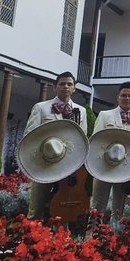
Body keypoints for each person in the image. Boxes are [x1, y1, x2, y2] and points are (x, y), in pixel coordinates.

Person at [25, 71, 88, 220]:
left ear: (74, 89)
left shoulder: (82, 111)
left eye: (69, 84)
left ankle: (61, 239)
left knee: (64, 206)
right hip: (44, 164)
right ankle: (31, 237)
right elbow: (29, 135)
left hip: (68, 167)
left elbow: (83, 138)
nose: (66, 87)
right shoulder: (41, 107)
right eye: (62, 84)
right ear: (55, 87)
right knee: (36, 206)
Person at [91, 81, 130, 222]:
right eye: (124, 95)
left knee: (119, 206)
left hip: (126, 168)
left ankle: (114, 235)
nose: (127, 98)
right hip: (104, 166)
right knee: (98, 204)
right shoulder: (105, 115)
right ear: (118, 97)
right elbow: (95, 141)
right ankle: (92, 236)